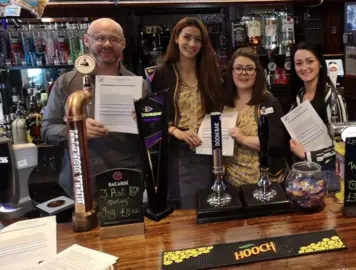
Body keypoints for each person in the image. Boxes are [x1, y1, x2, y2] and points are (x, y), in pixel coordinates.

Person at [42, 18, 149, 198]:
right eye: (100, 38)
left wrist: (144, 123)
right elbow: (47, 129)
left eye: (114, 39)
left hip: (126, 179)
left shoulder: (140, 86)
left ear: (123, 44)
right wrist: (77, 130)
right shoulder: (66, 83)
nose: (107, 44)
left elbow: (152, 134)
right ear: (86, 40)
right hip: (81, 183)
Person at [147, 17, 223, 209]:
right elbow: (153, 116)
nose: (192, 44)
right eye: (187, 37)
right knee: (187, 207)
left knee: (214, 203)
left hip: (211, 150)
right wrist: (176, 131)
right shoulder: (161, 73)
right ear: (176, 38)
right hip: (179, 153)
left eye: (198, 39)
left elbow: (222, 107)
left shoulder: (211, 71)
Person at [287, 41, 348, 191]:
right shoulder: (298, 95)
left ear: (320, 63)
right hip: (300, 170)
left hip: (326, 173)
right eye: (299, 63)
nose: (304, 68)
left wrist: (307, 155)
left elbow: (343, 144)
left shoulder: (333, 98)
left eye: (310, 61)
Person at [222, 48, 287, 187]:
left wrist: (244, 139)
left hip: (264, 184)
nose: (243, 73)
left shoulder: (269, 102)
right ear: (231, 72)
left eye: (249, 69)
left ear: (257, 73)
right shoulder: (224, 103)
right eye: (238, 68)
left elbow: (277, 143)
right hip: (231, 182)